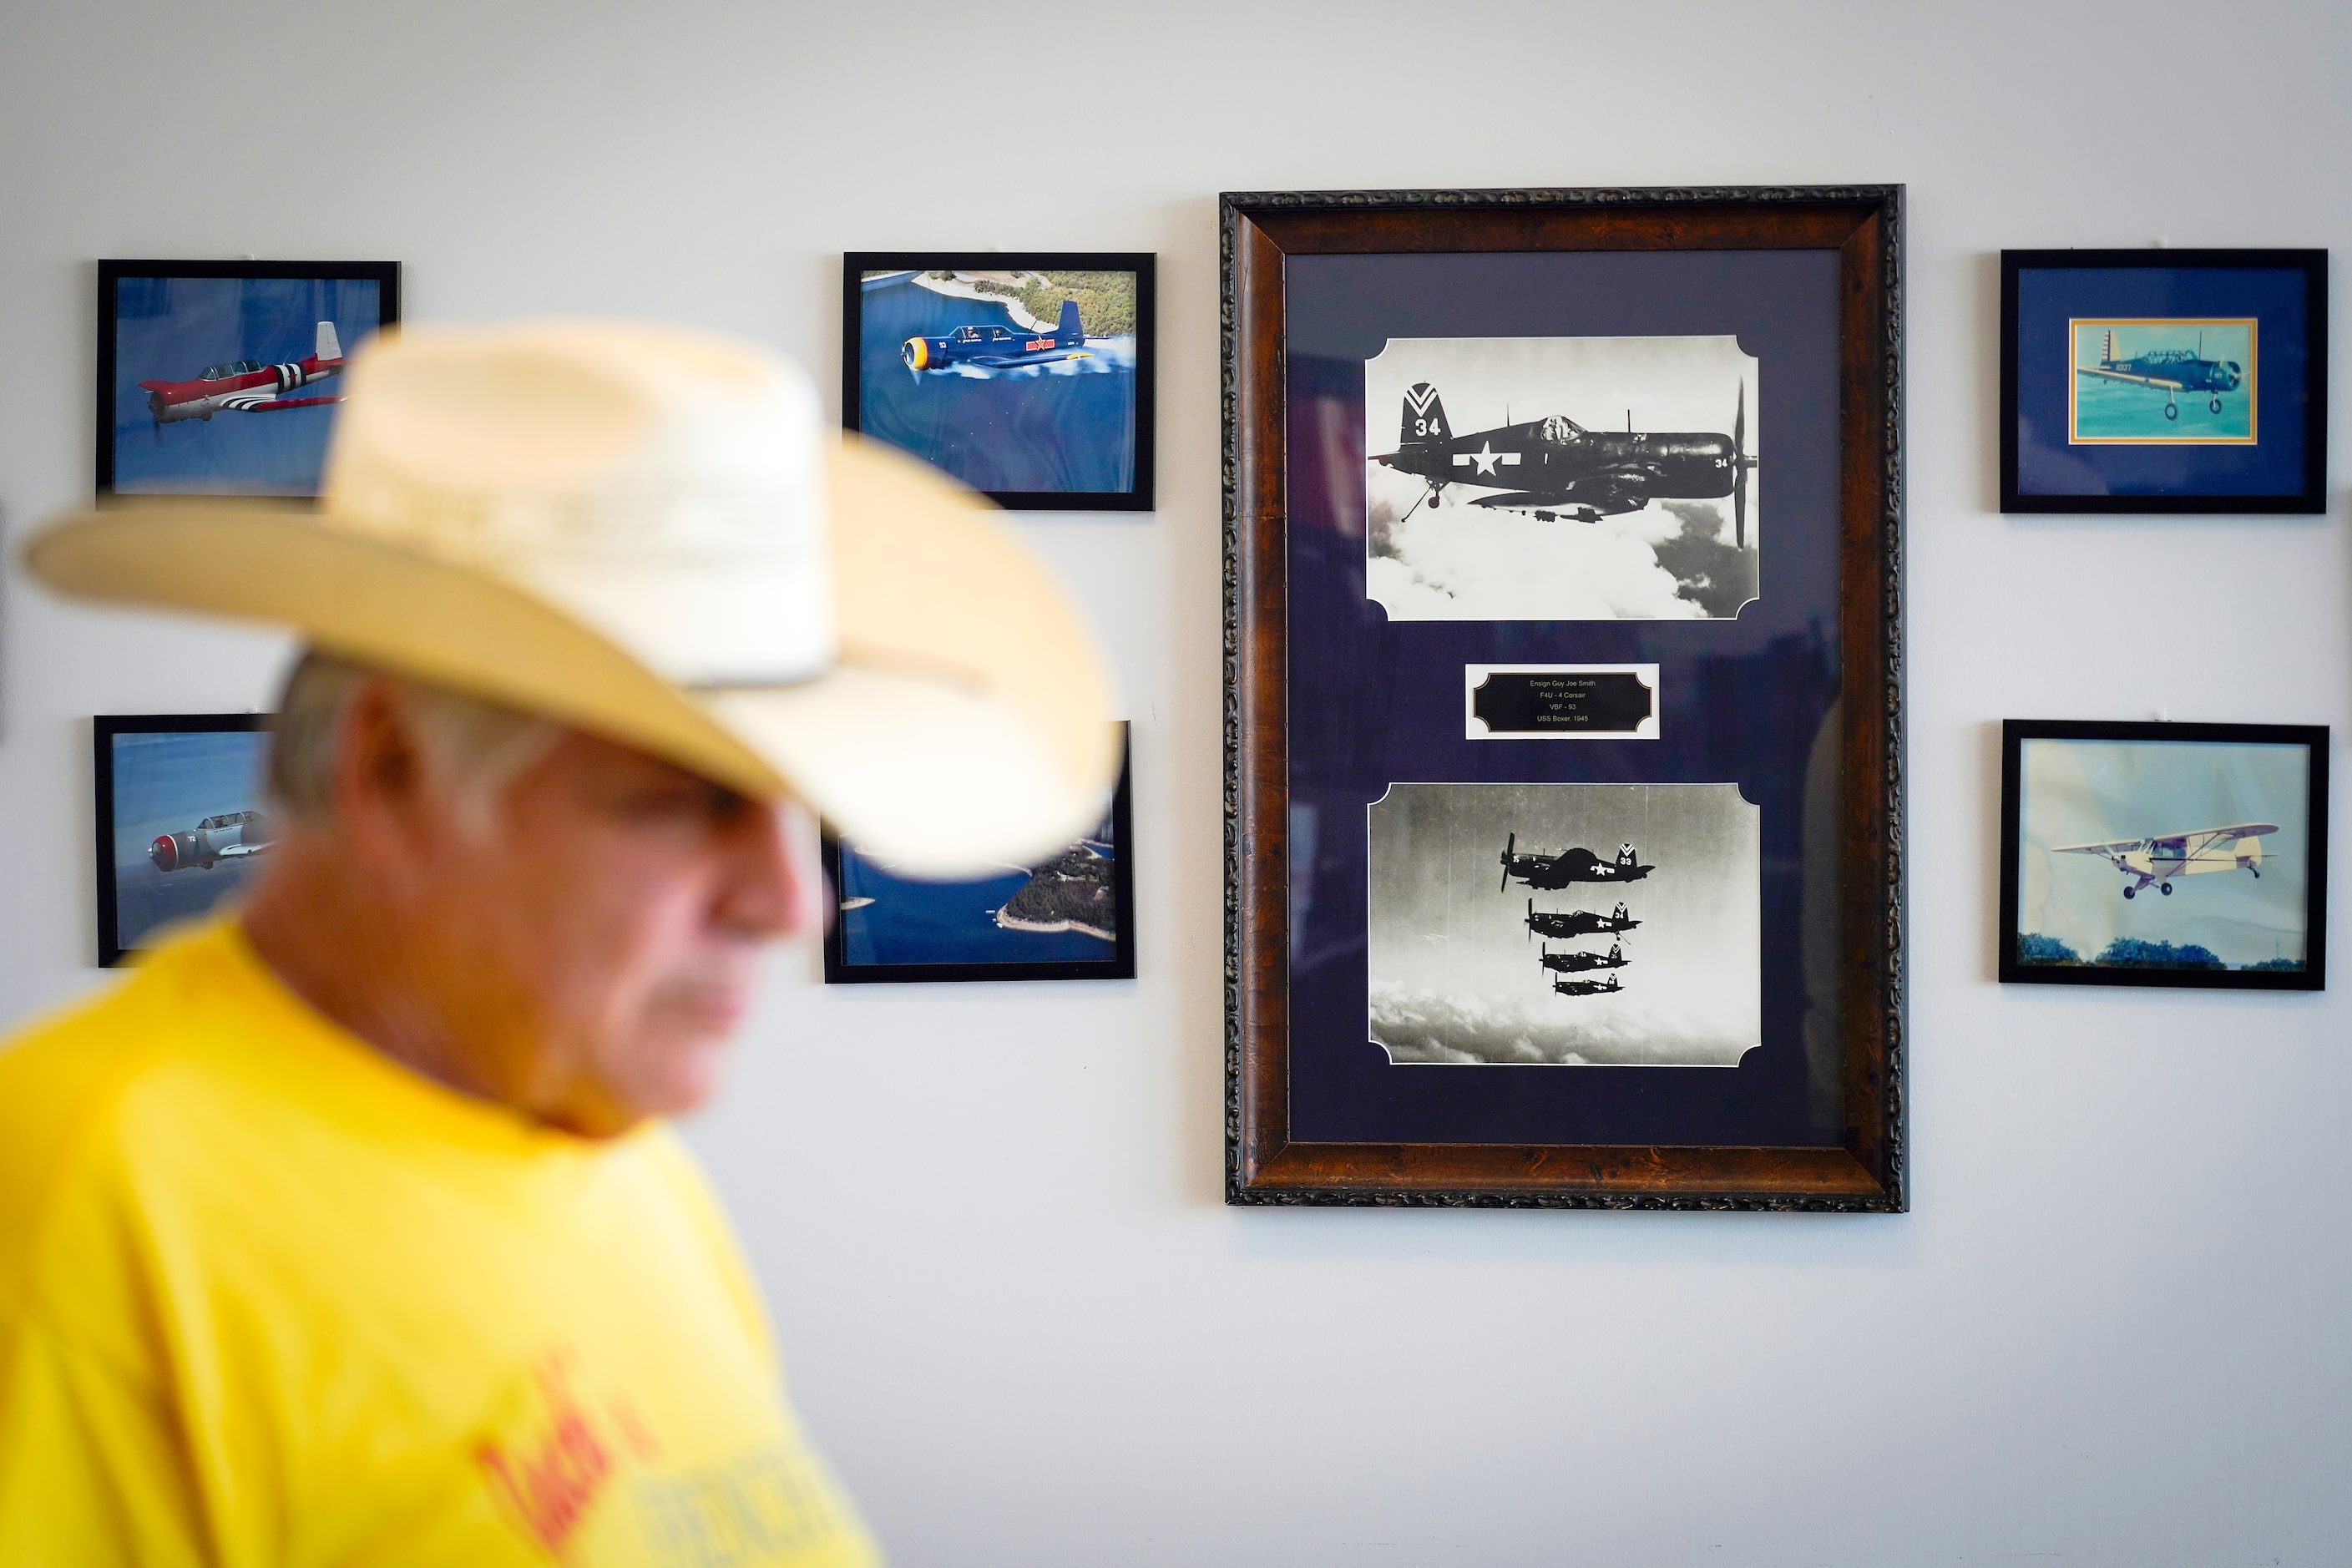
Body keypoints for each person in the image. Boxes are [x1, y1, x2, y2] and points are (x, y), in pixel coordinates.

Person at [0, 321, 1115, 1563]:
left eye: (789, 804)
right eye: (687, 798)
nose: (787, 903)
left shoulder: (611, 1144)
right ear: (390, 771)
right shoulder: (73, 1201)